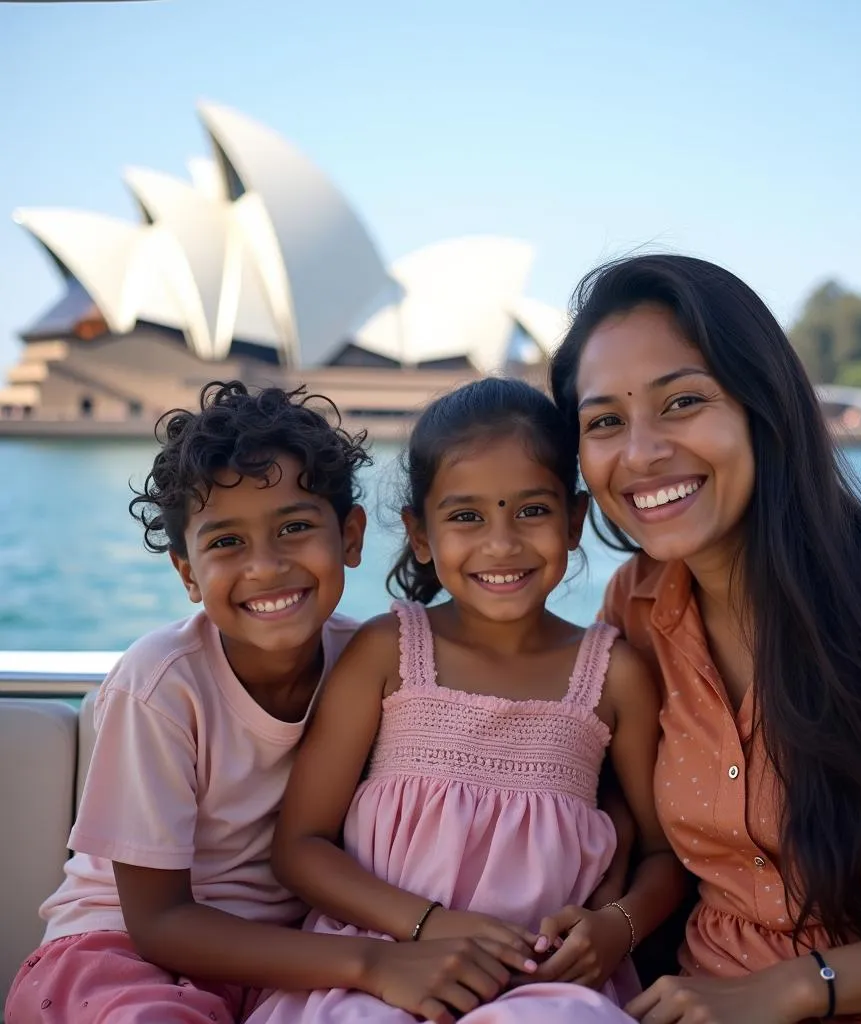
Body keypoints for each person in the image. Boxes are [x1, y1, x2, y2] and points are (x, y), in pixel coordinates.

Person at [548, 253, 861, 1024]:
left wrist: (799, 987)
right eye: (605, 421)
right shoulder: (633, 608)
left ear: (762, 407)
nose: (639, 454)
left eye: (682, 403)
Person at [5, 381, 540, 1024]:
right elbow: (158, 921)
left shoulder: (380, 662)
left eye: (294, 527)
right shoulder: (159, 685)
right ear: (187, 574)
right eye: (227, 543)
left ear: (350, 536)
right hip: (122, 954)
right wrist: (374, 965)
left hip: (299, 955)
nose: (266, 566)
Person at [247, 377, 686, 1024]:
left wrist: (618, 927)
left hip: (539, 984)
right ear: (421, 535)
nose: (501, 543)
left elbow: (662, 853)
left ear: (573, 521)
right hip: (383, 967)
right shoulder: (389, 653)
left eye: (531, 512)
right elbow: (300, 847)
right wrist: (429, 927)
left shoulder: (614, 675)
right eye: (467, 516)